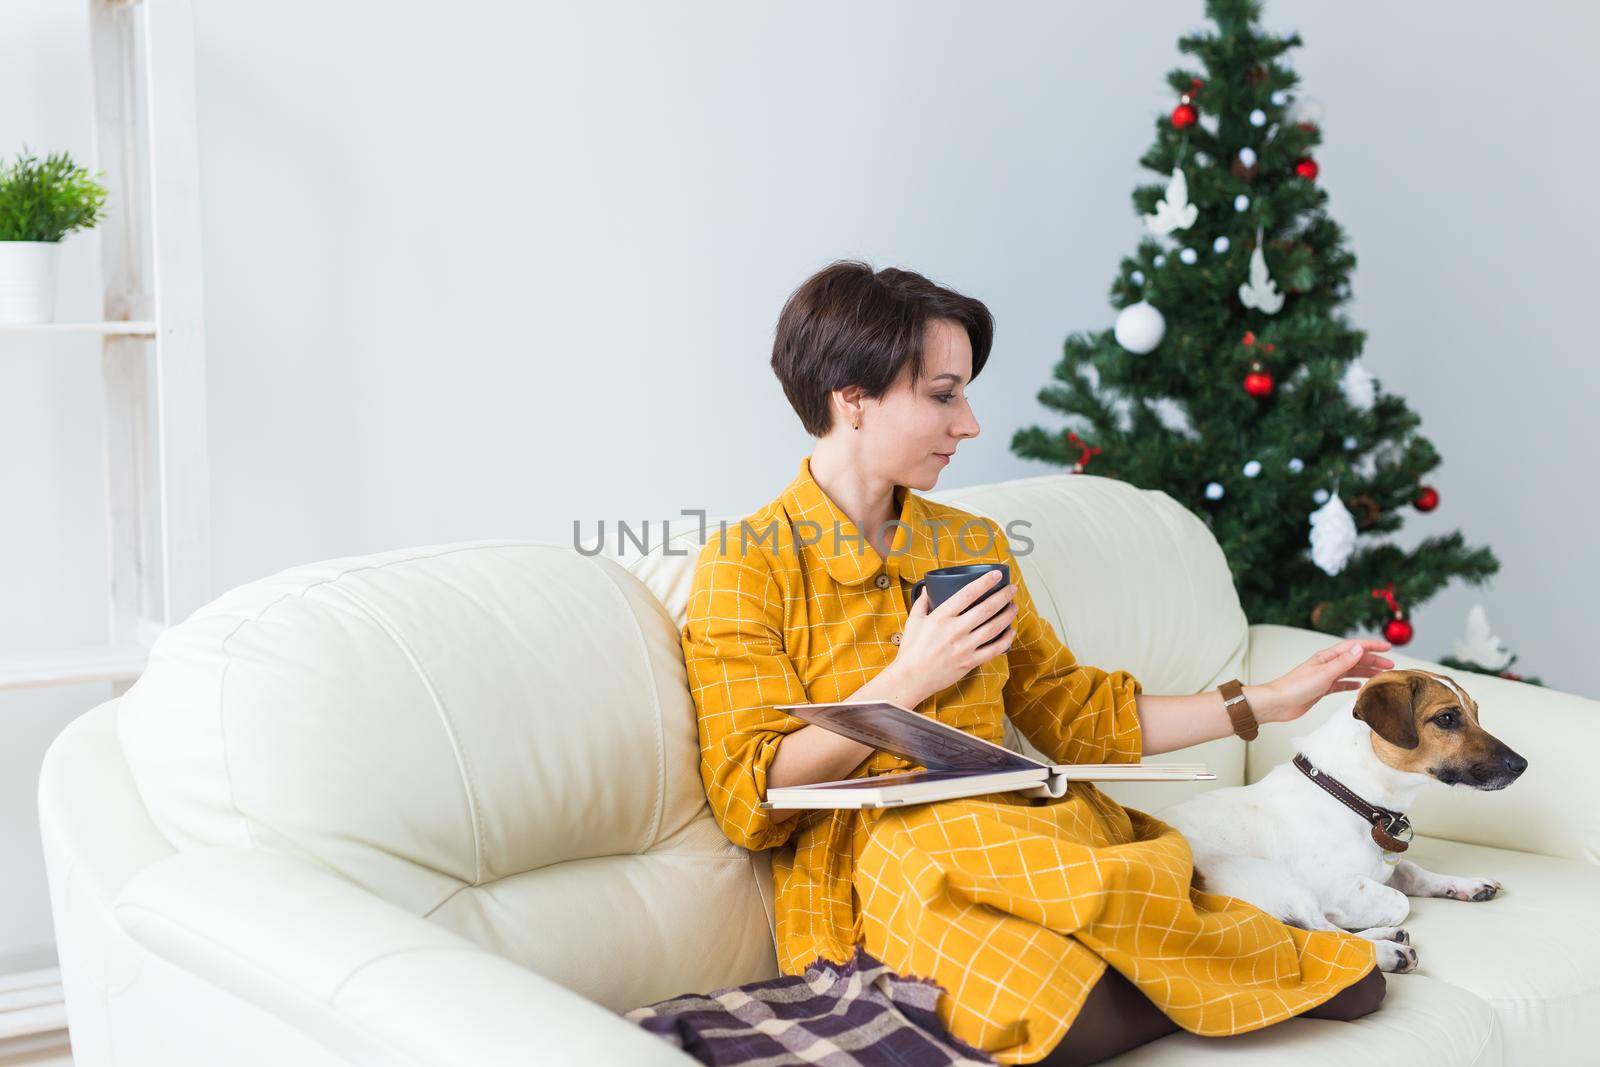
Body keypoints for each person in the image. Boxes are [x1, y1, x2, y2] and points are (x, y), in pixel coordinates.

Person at [680, 260, 1394, 1065]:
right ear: (853, 397)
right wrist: (909, 678)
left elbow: (1077, 713)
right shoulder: (747, 564)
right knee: (1036, 992)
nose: (970, 424)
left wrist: (1264, 701)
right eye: (944, 394)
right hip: (884, 867)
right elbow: (752, 792)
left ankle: (1184, 962)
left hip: (1021, 835)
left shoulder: (969, 544)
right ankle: (1217, 965)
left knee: (1060, 914)